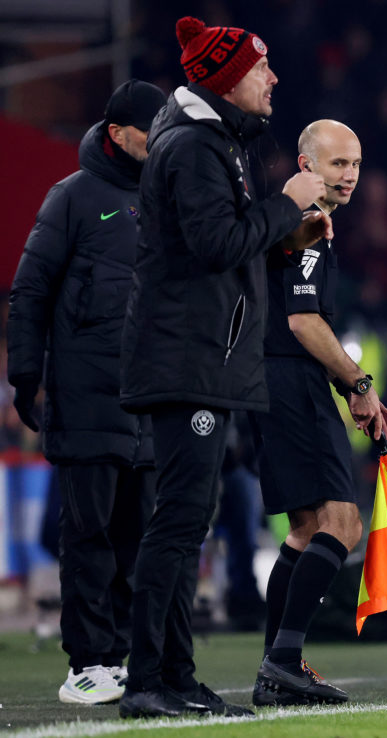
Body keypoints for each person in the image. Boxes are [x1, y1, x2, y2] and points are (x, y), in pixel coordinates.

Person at [118, 16, 331, 719]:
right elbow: (213, 243)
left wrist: (283, 232)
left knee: (187, 525)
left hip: (201, 356)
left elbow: (221, 243)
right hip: (187, 358)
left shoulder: (215, 141)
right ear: (226, 76)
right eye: (261, 67)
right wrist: (287, 204)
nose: (273, 78)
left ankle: (175, 677)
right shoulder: (195, 145)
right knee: (177, 525)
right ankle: (149, 678)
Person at [6, 79, 165, 706]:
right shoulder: (70, 199)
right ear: (119, 133)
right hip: (84, 395)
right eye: (151, 129)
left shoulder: (164, 200)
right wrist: (27, 376)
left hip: (148, 401)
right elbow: (30, 290)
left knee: (137, 538)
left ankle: (119, 658)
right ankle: (86, 664)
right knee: (89, 535)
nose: (160, 140)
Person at [252, 119, 387, 706]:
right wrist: (357, 381)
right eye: (337, 164)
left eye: (355, 163)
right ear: (307, 167)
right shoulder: (305, 225)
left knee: (307, 530)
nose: (350, 174)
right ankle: (283, 661)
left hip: (272, 381)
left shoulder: (293, 223)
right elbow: (304, 321)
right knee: (342, 523)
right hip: (291, 380)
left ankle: (274, 666)